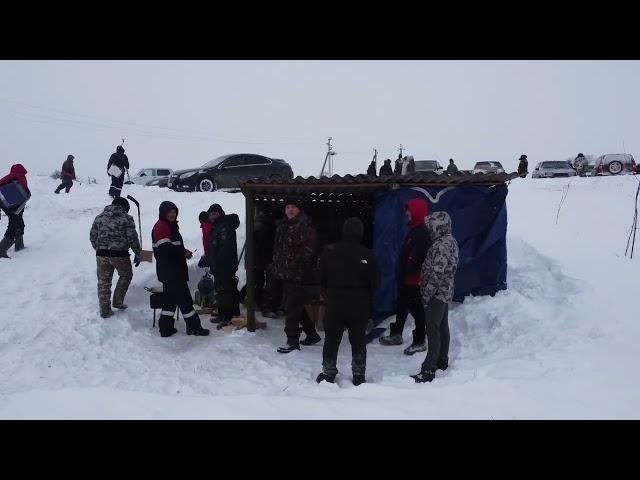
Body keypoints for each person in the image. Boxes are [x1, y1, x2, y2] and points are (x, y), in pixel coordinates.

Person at [317, 217, 379, 386]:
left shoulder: (329, 252)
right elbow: (376, 283)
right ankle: (359, 374)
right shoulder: (368, 254)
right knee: (358, 340)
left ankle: (328, 373)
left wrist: (329, 294)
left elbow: (320, 279)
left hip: (335, 303)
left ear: (344, 231)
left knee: (331, 339)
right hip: (359, 305)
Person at [411, 211, 459, 383]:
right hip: (444, 292)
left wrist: (427, 293)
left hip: (437, 294)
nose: (429, 229)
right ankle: (441, 361)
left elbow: (437, 273)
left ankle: (429, 369)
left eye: (432, 226)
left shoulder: (442, 245)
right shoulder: (450, 241)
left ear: (439, 227)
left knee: (433, 330)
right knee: (442, 328)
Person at [379, 198, 431, 354]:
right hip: (405, 279)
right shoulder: (414, 230)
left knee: (417, 311)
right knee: (401, 308)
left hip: (414, 281)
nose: (407, 213)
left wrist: (410, 269)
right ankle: (396, 334)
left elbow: (416, 256)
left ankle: (420, 341)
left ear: (416, 212)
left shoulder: (421, 232)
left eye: (409, 210)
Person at [152, 201, 209, 337]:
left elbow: (174, 246)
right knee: (185, 301)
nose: (172, 214)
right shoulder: (162, 226)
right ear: (163, 212)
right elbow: (165, 248)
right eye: (169, 212)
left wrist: (184, 251)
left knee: (169, 302)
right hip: (172, 272)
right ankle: (194, 327)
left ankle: (165, 329)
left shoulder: (169, 226)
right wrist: (183, 253)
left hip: (171, 271)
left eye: (174, 211)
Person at [272, 198, 321, 353]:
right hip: (285, 273)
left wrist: (295, 266)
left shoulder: (304, 225)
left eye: (293, 207)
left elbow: (308, 251)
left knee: (292, 307)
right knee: (296, 304)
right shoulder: (283, 225)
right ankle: (312, 334)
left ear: (299, 209)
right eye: (287, 207)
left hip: (297, 274)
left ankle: (292, 342)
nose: (290, 210)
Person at [89, 197, 142, 318]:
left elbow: (93, 236)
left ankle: (105, 310)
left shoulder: (99, 217)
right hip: (120, 254)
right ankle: (118, 301)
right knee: (126, 275)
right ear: (125, 207)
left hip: (101, 254)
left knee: (104, 281)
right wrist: (139, 253)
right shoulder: (127, 218)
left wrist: (99, 248)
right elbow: (132, 238)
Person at [207, 203, 241, 328]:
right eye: (210, 214)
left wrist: (218, 265)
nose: (212, 216)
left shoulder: (224, 227)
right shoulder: (217, 226)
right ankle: (224, 313)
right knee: (223, 291)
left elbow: (224, 250)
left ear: (220, 214)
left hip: (225, 267)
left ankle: (227, 316)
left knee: (225, 291)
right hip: (220, 266)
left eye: (214, 213)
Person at [0, 164, 30, 258]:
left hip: (5, 203)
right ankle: (1, 250)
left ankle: (19, 245)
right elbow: (24, 190)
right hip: (14, 205)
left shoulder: (8, 177)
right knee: (14, 224)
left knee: (19, 222)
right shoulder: (20, 177)